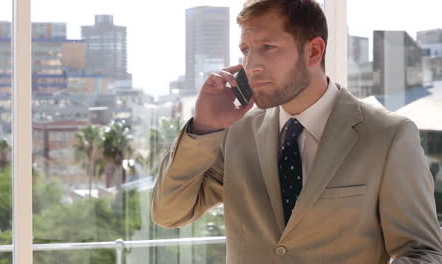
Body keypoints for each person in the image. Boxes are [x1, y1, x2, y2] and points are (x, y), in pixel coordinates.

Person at [151, 0, 442, 263]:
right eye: (246, 50)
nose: (251, 65)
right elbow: (169, 213)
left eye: (267, 47)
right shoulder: (235, 134)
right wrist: (204, 127)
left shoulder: (388, 135)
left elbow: (423, 252)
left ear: (314, 51)